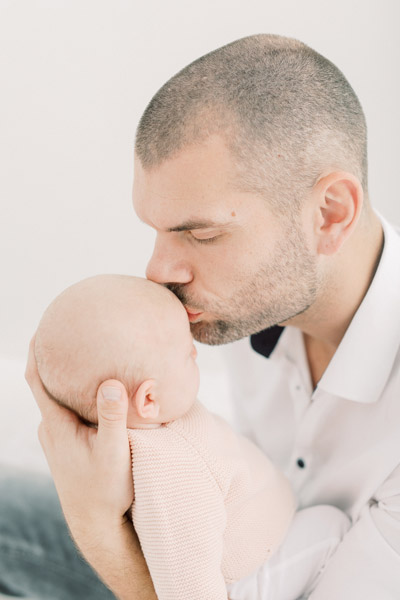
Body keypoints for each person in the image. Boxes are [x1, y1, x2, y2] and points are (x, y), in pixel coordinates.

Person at [1, 32, 398, 599]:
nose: (158, 270)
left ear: (330, 214)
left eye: (202, 234)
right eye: (156, 231)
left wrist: (96, 524)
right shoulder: (242, 304)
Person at [33, 273, 296, 599]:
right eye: (187, 354)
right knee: (333, 525)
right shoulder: (171, 473)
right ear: (148, 400)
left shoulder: (163, 420)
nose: (196, 355)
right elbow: (187, 582)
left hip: (269, 533)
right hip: (256, 576)